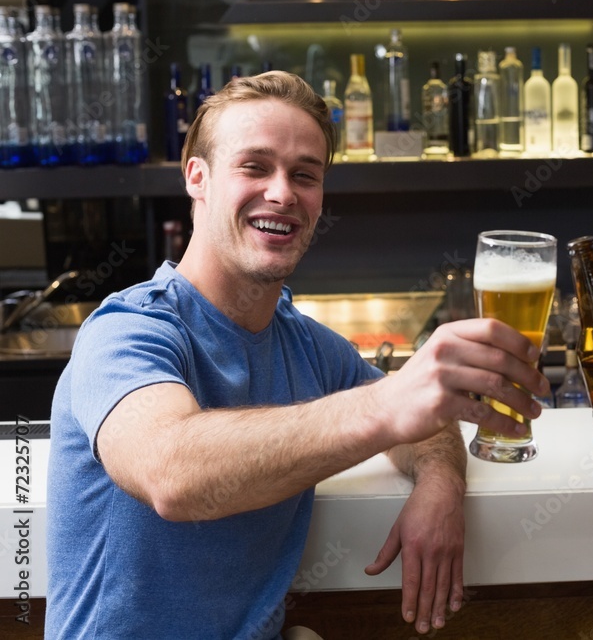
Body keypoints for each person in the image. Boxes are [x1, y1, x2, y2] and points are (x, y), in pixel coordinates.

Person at [45, 71, 549, 639]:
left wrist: (440, 485)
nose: (282, 193)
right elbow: (171, 472)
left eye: (304, 175)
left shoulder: (304, 344)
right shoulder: (127, 331)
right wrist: (383, 405)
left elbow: (422, 427)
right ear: (198, 178)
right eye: (255, 166)